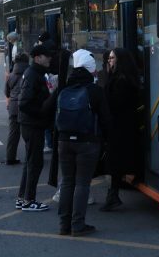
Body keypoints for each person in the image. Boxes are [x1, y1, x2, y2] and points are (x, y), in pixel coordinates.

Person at [56, 49, 110, 236]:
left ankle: (64, 225)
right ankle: (77, 225)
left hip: (64, 141)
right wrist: (107, 141)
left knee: (68, 182)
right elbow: (105, 119)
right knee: (82, 184)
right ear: (91, 69)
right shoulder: (95, 91)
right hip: (87, 143)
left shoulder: (64, 89)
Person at [16, 45, 56, 212]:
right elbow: (24, 103)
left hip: (31, 123)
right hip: (33, 124)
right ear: (38, 57)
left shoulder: (35, 73)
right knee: (35, 163)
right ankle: (28, 200)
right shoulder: (33, 74)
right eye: (47, 56)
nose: (50, 58)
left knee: (30, 162)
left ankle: (22, 198)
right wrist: (42, 111)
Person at [99, 48, 140, 212]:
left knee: (115, 161)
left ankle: (113, 195)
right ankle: (113, 194)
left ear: (120, 60)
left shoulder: (121, 81)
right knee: (117, 162)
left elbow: (113, 103)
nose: (109, 61)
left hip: (120, 126)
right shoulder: (121, 78)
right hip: (121, 125)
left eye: (112, 58)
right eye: (109, 58)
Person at [4, 52, 29, 165]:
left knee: (13, 134)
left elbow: (7, 92)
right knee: (29, 134)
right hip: (25, 107)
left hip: (13, 107)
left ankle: (10, 157)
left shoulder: (10, 75)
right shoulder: (29, 74)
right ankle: (30, 157)